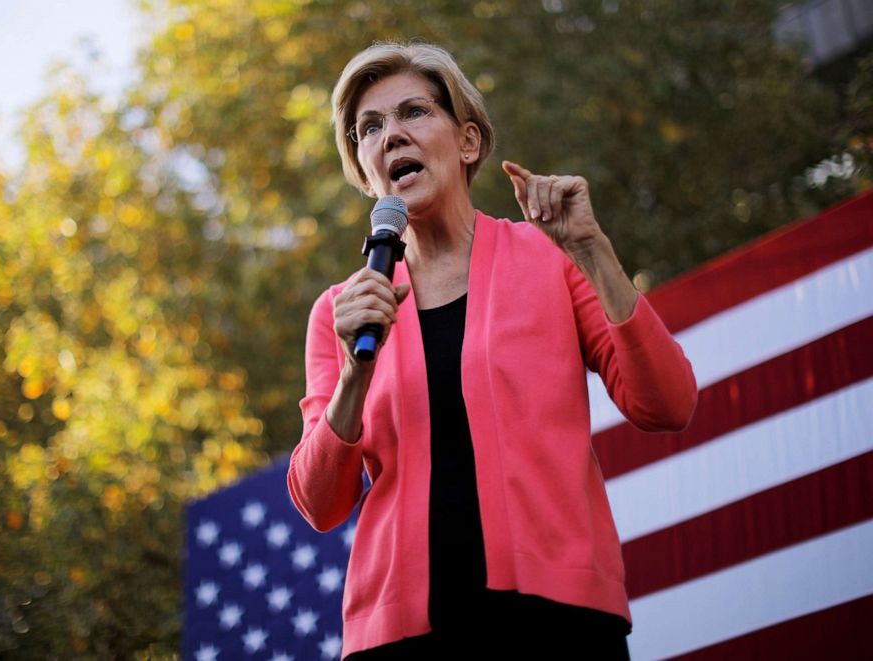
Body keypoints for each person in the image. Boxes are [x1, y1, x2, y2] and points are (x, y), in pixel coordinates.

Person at [287, 42, 697, 659]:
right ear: (365, 168)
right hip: (399, 638)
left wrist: (593, 252)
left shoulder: (550, 259)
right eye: (369, 128)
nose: (392, 134)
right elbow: (320, 505)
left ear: (469, 141)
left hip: (558, 624)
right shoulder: (340, 311)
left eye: (414, 113)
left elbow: (667, 404)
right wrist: (354, 373)